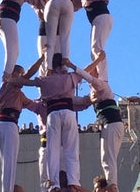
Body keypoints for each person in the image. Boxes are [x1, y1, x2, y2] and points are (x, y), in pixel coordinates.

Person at [9, 53, 84, 192]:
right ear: (63, 66)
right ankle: (74, 181)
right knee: (71, 149)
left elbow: (26, 83)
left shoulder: (45, 81)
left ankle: (54, 183)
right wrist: (74, 65)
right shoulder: (70, 77)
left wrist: (10, 80)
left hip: (53, 113)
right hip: (68, 111)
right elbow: (85, 74)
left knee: (52, 151)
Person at [64, 52, 131, 192]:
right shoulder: (94, 92)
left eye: (95, 70)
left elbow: (88, 77)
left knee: (108, 157)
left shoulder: (101, 85)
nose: (92, 71)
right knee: (107, 157)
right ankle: (112, 185)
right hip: (111, 124)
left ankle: (112, 186)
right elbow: (82, 102)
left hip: (111, 123)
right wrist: (62, 100)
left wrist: (72, 66)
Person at [12, 0, 80, 74]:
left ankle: (48, 68)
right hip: (66, 3)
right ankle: (63, 66)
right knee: (65, 37)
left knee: (50, 40)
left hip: (52, 4)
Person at [0, 56, 43, 192]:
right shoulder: (9, 85)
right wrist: (42, 59)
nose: (21, 76)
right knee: (8, 161)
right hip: (7, 123)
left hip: (7, 124)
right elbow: (28, 75)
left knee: (9, 162)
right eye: (19, 73)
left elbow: (33, 105)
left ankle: (8, 188)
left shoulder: (17, 94)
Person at [63, 0, 112, 81]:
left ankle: (103, 78)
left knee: (97, 48)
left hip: (101, 17)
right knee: (93, 51)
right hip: (98, 19)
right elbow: (73, 4)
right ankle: (98, 74)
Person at [0, 0, 39, 81]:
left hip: (6, 20)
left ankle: (8, 74)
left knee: (14, 51)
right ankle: (6, 78)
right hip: (7, 19)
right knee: (13, 52)